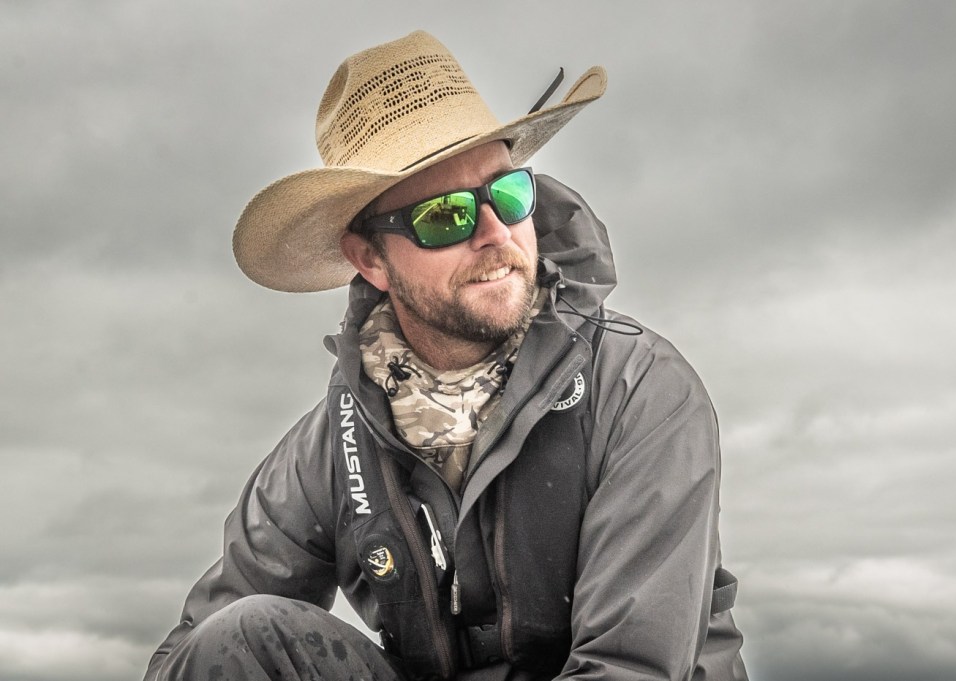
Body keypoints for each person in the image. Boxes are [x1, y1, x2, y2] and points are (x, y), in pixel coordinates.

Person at [145, 30, 747, 681]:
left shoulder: (641, 389)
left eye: (509, 194)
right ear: (370, 259)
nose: (495, 233)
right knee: (239, 637)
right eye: (444, 216)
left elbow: (630, 669)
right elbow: (188, 655)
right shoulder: (331, 446)